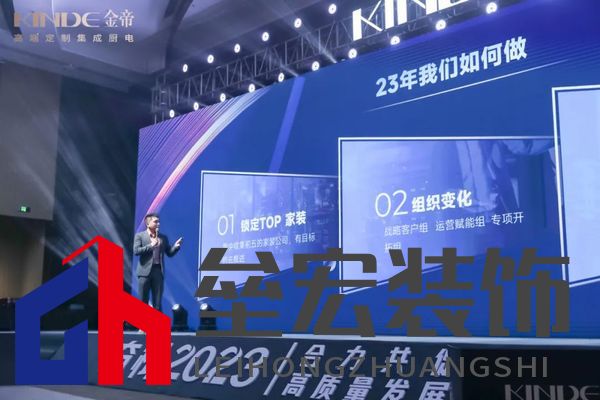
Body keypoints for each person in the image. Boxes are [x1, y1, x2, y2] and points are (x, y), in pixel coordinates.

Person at [133, 213, 182, 312]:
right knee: (143, 301)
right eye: (155, 222)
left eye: (159, 221)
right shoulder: (140, 236)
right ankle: (142, 322)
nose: (158, 224)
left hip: (158, 271)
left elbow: (169, 253)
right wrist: (151, 245)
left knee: (157, 303)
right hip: (144, 273)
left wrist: (176, 247)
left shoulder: (163, 238)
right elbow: (136, 251)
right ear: (148, 223)